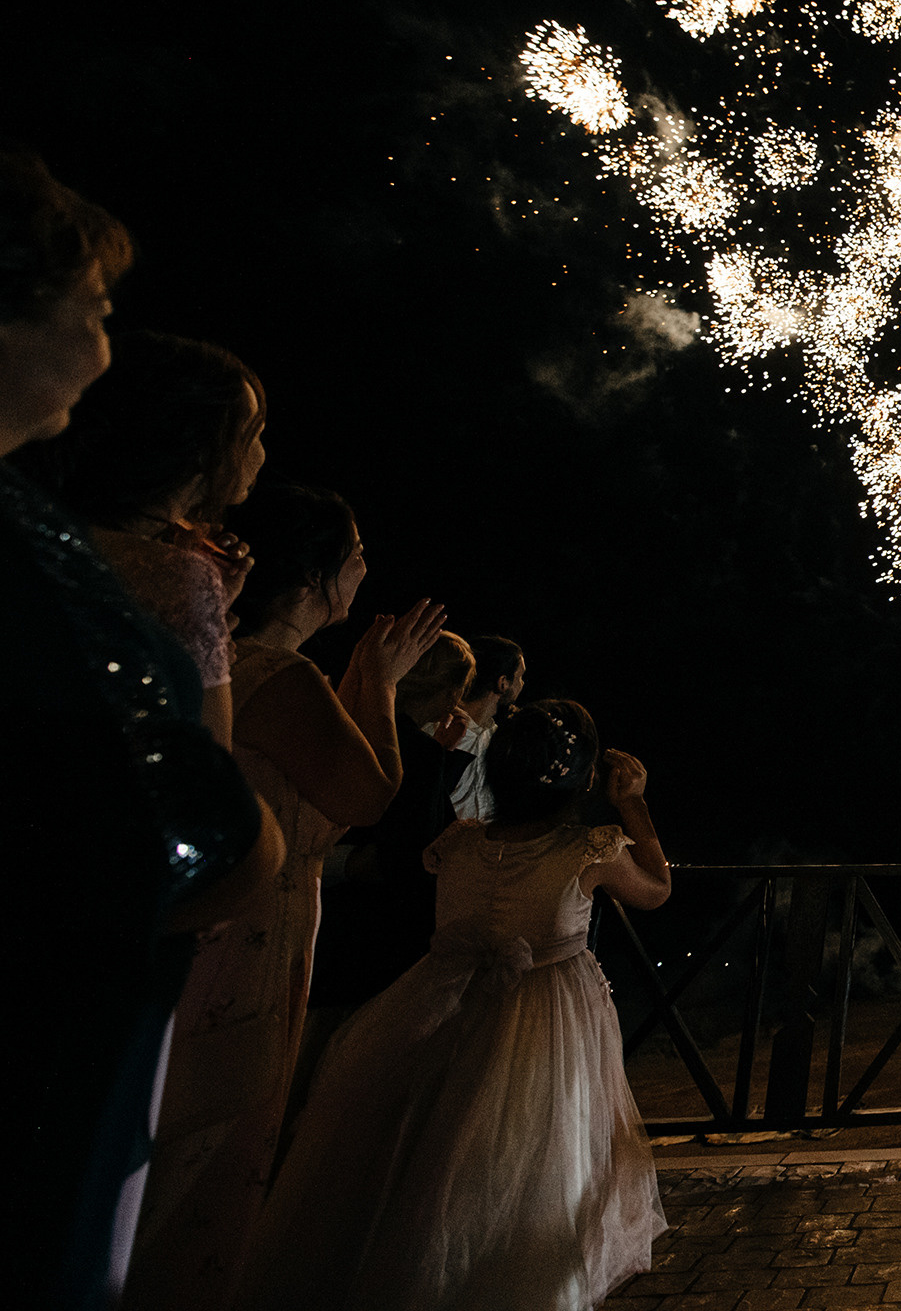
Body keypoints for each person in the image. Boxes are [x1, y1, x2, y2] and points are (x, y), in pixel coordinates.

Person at [1, 149, 281, 1308]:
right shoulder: (43, 561)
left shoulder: (47, 526)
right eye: (96, 307)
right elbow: (187, 805)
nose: (106, 344)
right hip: (56, 1017)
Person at [122, 483, 446, 1311]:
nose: (368, 567)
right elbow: (369, 796)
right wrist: (373, 677)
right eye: (356, 553)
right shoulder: (284, 675)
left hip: (251, 918)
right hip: (250, 931)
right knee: (208, 1163)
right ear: (313, 578)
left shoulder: (257, 667)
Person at [244, 699, 672, 1310]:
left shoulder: (459, 843)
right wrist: (633, 802)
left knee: (429, 1152)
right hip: (547, 1016)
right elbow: (657, 889)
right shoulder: (589, 848)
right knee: (536, 1156)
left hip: (439, 1002)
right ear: (578, 777)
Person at [25, 328, 268, 747]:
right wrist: (197, 598)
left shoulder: (48, 525)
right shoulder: (181, 577)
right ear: (200, 446)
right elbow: (211, 772)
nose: (262, 454)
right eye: (253, 434)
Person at [311, 632, 475, 1014]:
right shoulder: (415, 751)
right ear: (452, 693)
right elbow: (416, 848)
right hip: (378, 931)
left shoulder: (355, 721)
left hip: (331, 913)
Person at [446, 634, 526, 822]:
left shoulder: (497, 737)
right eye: (520, 677)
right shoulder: (443, 728)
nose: (522, 684)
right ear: (503, 683)